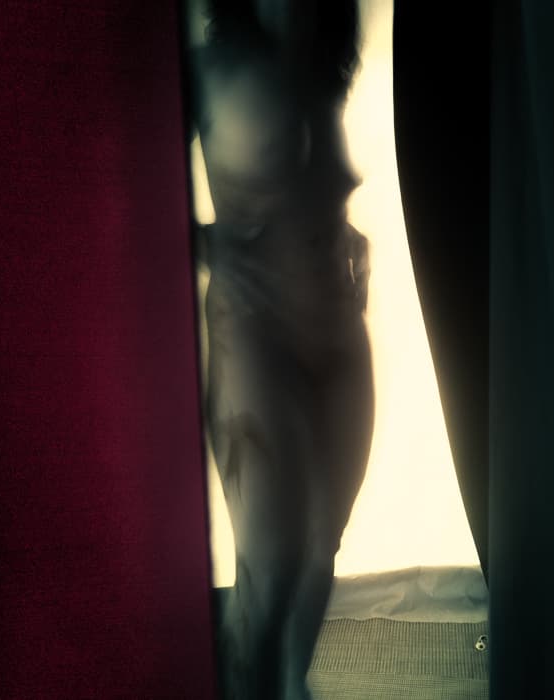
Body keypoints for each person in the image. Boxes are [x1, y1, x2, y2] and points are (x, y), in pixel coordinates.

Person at [183, 2, 374, 698]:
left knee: (322, 547)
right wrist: (205, 242)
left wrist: (350, 233)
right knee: (270, 567)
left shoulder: (323, 67)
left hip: (339, 336)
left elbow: (311, 184)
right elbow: (117, 187)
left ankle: (295, 686)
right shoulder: (204, 68)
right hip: (254, 338)